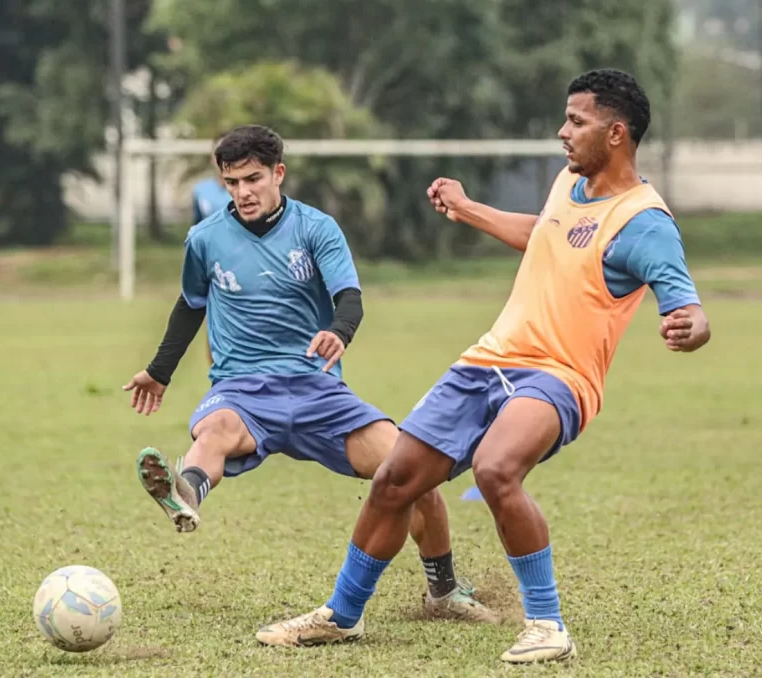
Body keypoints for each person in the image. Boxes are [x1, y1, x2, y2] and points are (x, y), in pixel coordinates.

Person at [255, 69, 710, 663]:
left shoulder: (644, 221)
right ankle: (341, 617)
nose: (561, 131)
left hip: (559, 377)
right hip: (488, 360)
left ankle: (547, 626)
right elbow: (546, 235)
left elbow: (688, 304)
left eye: (576, 120)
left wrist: (690, 326)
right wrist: (469, 209)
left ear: (617, 133)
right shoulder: (569, 184)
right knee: (395, 479)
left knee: (496, 469)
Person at [122, 124, 496, 623]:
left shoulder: (316, 228)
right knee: (214, 430)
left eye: (253, 179)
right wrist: (159, 371)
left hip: (316, 388)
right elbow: (191, 306)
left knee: (410, 472)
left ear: (279, 173)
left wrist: (339, 332)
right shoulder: (205, 238)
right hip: (243, 387)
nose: (243, 192)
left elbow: (349, 298)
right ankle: (185, 492)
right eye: (231, 183)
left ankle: (444, 590)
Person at [190, 135, 233, 367]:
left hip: (245, 264)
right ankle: (221, 383)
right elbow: (197, 229)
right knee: (213, 328)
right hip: (212, 269)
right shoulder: (200, 191)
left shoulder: (246, 190)